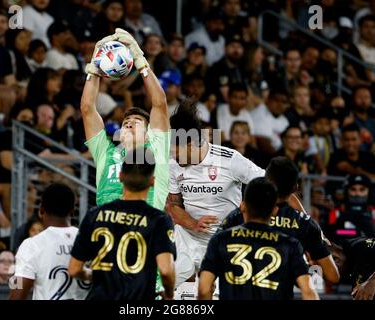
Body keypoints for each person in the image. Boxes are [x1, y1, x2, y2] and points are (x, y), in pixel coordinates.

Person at [167, 100, 305, 296]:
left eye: (174, 149)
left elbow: (277, 190)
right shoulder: (174, 164)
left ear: (190, 143)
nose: (171, 155)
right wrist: (193, 223)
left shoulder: (230, 160)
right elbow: (173, 205)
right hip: (187, 239)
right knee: (158, 283)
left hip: (225, 243)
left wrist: (308, 225)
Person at [68, 147, 176, 300]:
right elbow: (166, 270)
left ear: (120, 177)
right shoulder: (158, 219)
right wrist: (170, 295)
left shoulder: (94, 214)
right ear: (152, 181)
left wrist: (93, 276)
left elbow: (73, 269)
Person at [80, 28, 169, 210]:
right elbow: (87, 109)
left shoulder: (157, 148)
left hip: (146, 226)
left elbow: (159, 104)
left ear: (147, 135)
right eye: (125, 122)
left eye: (136, 122)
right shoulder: (106, 153)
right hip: (108, 228)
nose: (128, 123)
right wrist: (95, 69)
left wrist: (140, 61)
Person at [220, 157, 340, 284]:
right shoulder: (306, 225)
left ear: (265, 180)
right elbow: (333, 276)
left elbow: (214, 255)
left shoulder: (241, 213)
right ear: (295, 188)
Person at [198, 177, 319, 300]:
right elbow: (309, 292)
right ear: (274, 210)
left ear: (243, 206)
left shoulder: (220, 240)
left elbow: (204, 289)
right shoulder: (290, 245)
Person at [9, 183, 89, 300]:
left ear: (41, 210)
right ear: (73, 211)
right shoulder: (92, 241)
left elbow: (16, 294)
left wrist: (13, 281)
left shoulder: (31, 245)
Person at [327, 174, 375, 243]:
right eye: (353, 189)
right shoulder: (336, 213)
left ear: (369, 192)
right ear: (346, 191)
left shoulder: (373, 212)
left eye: (362, 189)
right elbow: (330, 237)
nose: (357, 193)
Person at [250, 87, 290, 156]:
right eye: (276, 100)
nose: (279, 105)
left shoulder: (284, 120)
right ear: (268, 100)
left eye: (283, 102)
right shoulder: (260, 112)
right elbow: (262, 141)